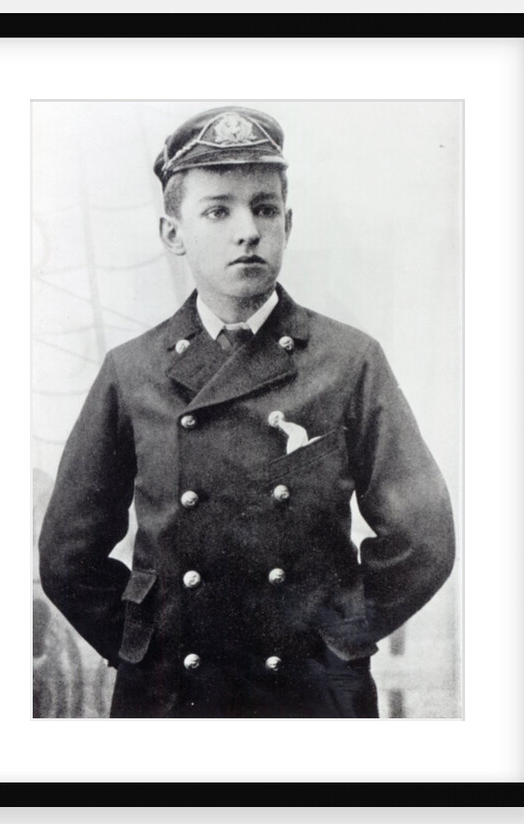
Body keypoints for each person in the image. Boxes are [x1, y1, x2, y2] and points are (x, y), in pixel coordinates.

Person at [39, 106, 455, 718]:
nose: (248, 230)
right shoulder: (131, 372)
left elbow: (424, 538)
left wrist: (340, 634)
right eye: (218, 210)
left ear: (287, 222)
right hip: (173, 698)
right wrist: (142, 645)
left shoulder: (349, 361)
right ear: (172, 233)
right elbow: (66, 557)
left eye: (264, 208)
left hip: (311, 697)